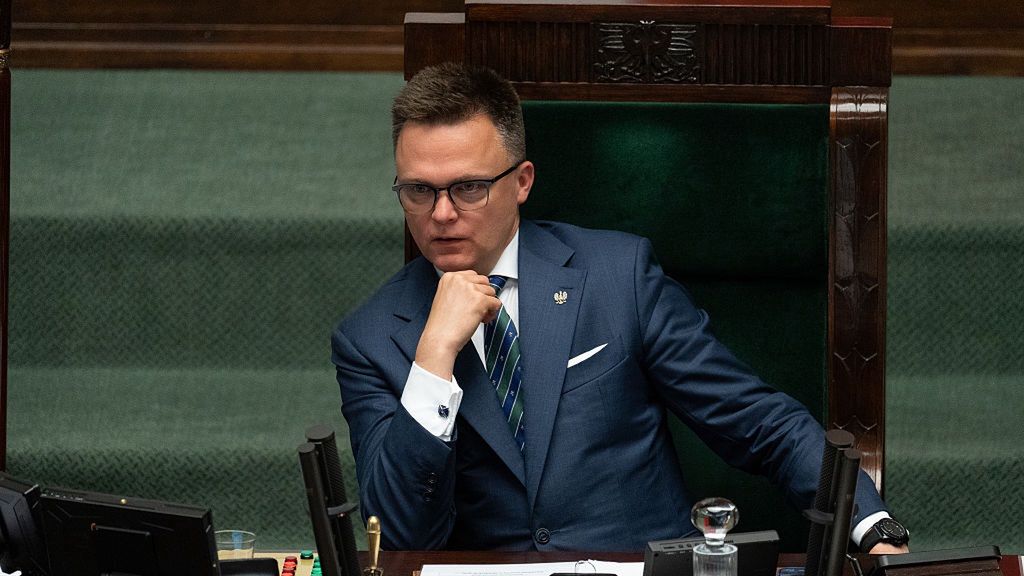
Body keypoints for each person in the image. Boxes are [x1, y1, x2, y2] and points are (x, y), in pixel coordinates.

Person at [332, 62, 909, 553]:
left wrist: (870, 522)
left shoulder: (618, 276)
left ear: (522, 181)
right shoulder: (371, 337)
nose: (440, 214)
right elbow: (404, 536)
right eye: (418, 191)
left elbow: (759, 424)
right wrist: (433, 357)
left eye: (468, 188)